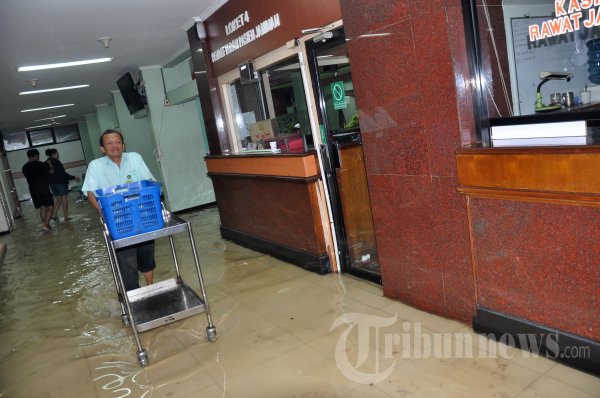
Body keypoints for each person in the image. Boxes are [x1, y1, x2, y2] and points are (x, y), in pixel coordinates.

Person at [82, 129, 156, 291]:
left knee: (146, 254)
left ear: (123, 144)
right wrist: (104, 214)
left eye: (118, 142)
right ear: (102, 148)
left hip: (143, 215)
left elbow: (149, 182)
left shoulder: (135, 158)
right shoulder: (96, 166)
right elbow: (90, 193)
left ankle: (150, 287)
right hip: (118, 221)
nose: (114, 146)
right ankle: (134, 297)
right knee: (127, 260)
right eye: (109, 143)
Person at [22, 149, 54, 231]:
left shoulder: (24, 167)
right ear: (36, 155)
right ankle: (46, 225)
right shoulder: (41, 164)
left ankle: (46, 224)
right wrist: (50, 164)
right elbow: (52, 172)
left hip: (33, 190)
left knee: (42, 207)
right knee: (50, 207)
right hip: (43, 188)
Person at [45, 148, 81, 221]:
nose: (58, 155)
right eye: (57, 153)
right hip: (60, 183)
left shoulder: (46, 162)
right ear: (53, 154)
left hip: (52, 184)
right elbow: (63, 174)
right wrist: (73, 177)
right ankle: (66, 217)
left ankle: (54, 215)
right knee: (64, 199)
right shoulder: (57, 162)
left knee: (58, 200)